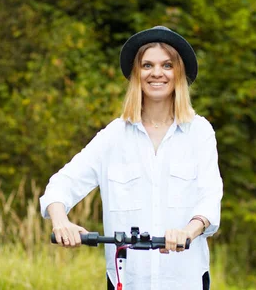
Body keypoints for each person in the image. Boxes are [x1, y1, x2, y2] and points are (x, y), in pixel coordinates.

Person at [40, 26, 223, 290]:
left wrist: (189, 231)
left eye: (167, 65)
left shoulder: (200, 132)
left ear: (178, 73)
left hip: (185, 280)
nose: (156, 73)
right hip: (127, 281)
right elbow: (60, 185)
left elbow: (210, 197)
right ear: (137, 74)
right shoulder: (113, 136)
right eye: (147, 65)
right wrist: (61, 221)